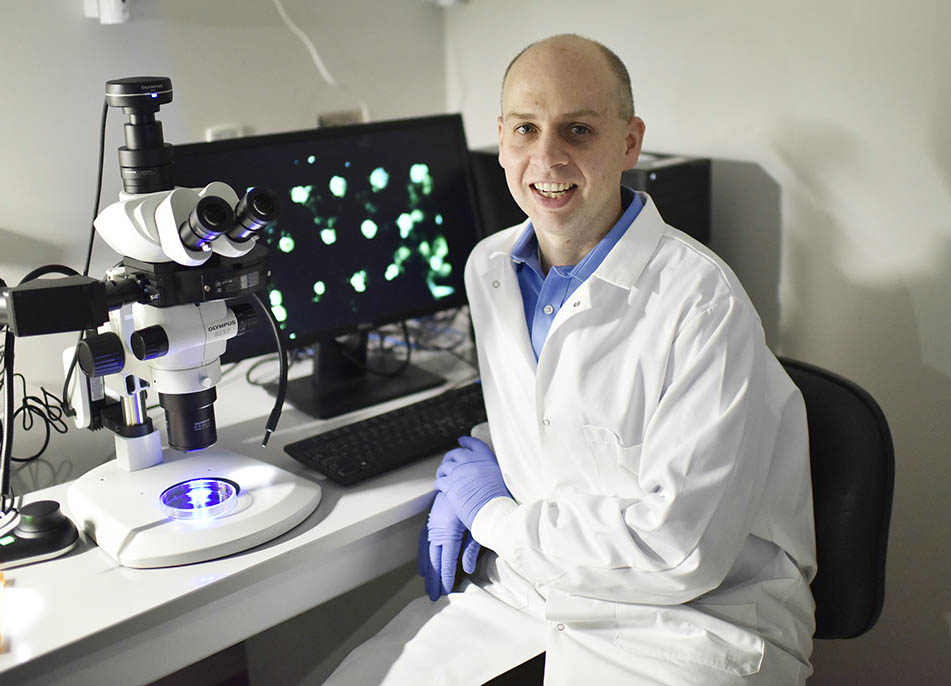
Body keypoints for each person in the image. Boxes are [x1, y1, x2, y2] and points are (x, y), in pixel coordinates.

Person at [325, 33, 816, 685]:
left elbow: (680, 553)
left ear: (629, 142)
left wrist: (493, 516)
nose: (546, 157)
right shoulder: (490, 268)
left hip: (692, 626)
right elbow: (558, 414)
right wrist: (482, 451)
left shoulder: (701, 302)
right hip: (531, 593)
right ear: (500, 139)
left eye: (578, 130)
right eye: (525, 128)